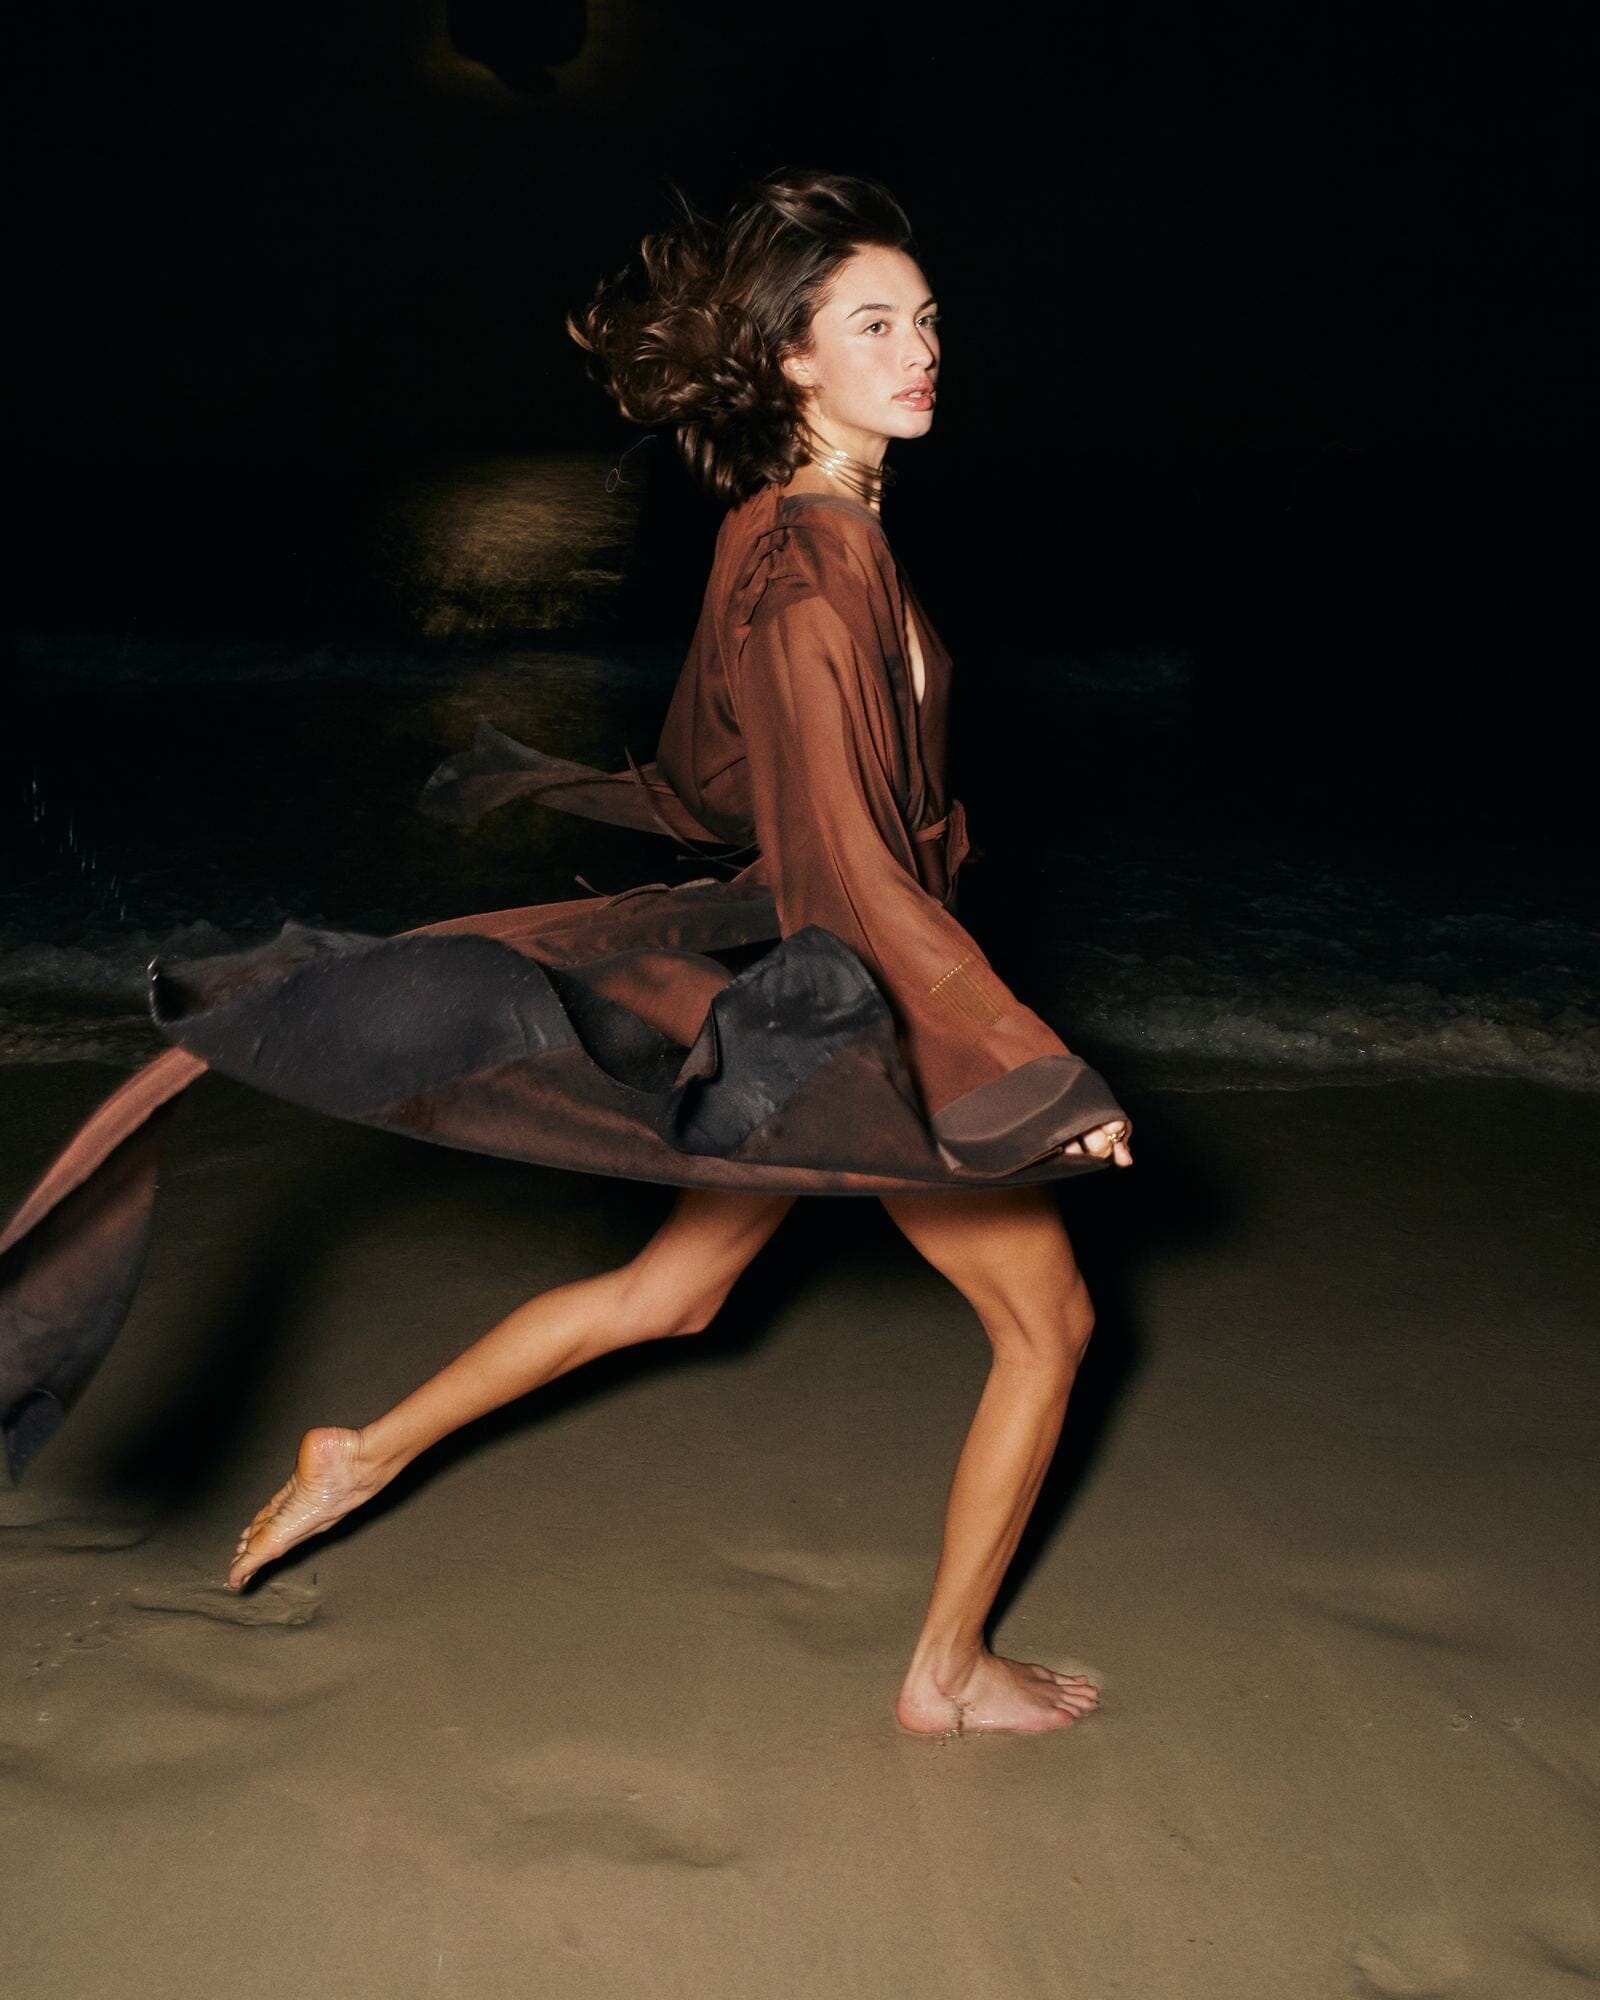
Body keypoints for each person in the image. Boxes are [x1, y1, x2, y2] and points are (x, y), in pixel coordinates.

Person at [0, 169, 1131, 1737]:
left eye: (927, 319)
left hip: (805, 1006)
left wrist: (577, 785)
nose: (919, 350)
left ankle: (365, 1448)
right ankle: (944, 1676)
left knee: (670, 1300)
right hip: (855, 1006)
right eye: (872, 324)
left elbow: (727, 778)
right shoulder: (819, 570)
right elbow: (848, 856)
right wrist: (1014, 1055)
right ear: (793, 359)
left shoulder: (780, 532)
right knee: (1051, 1323)